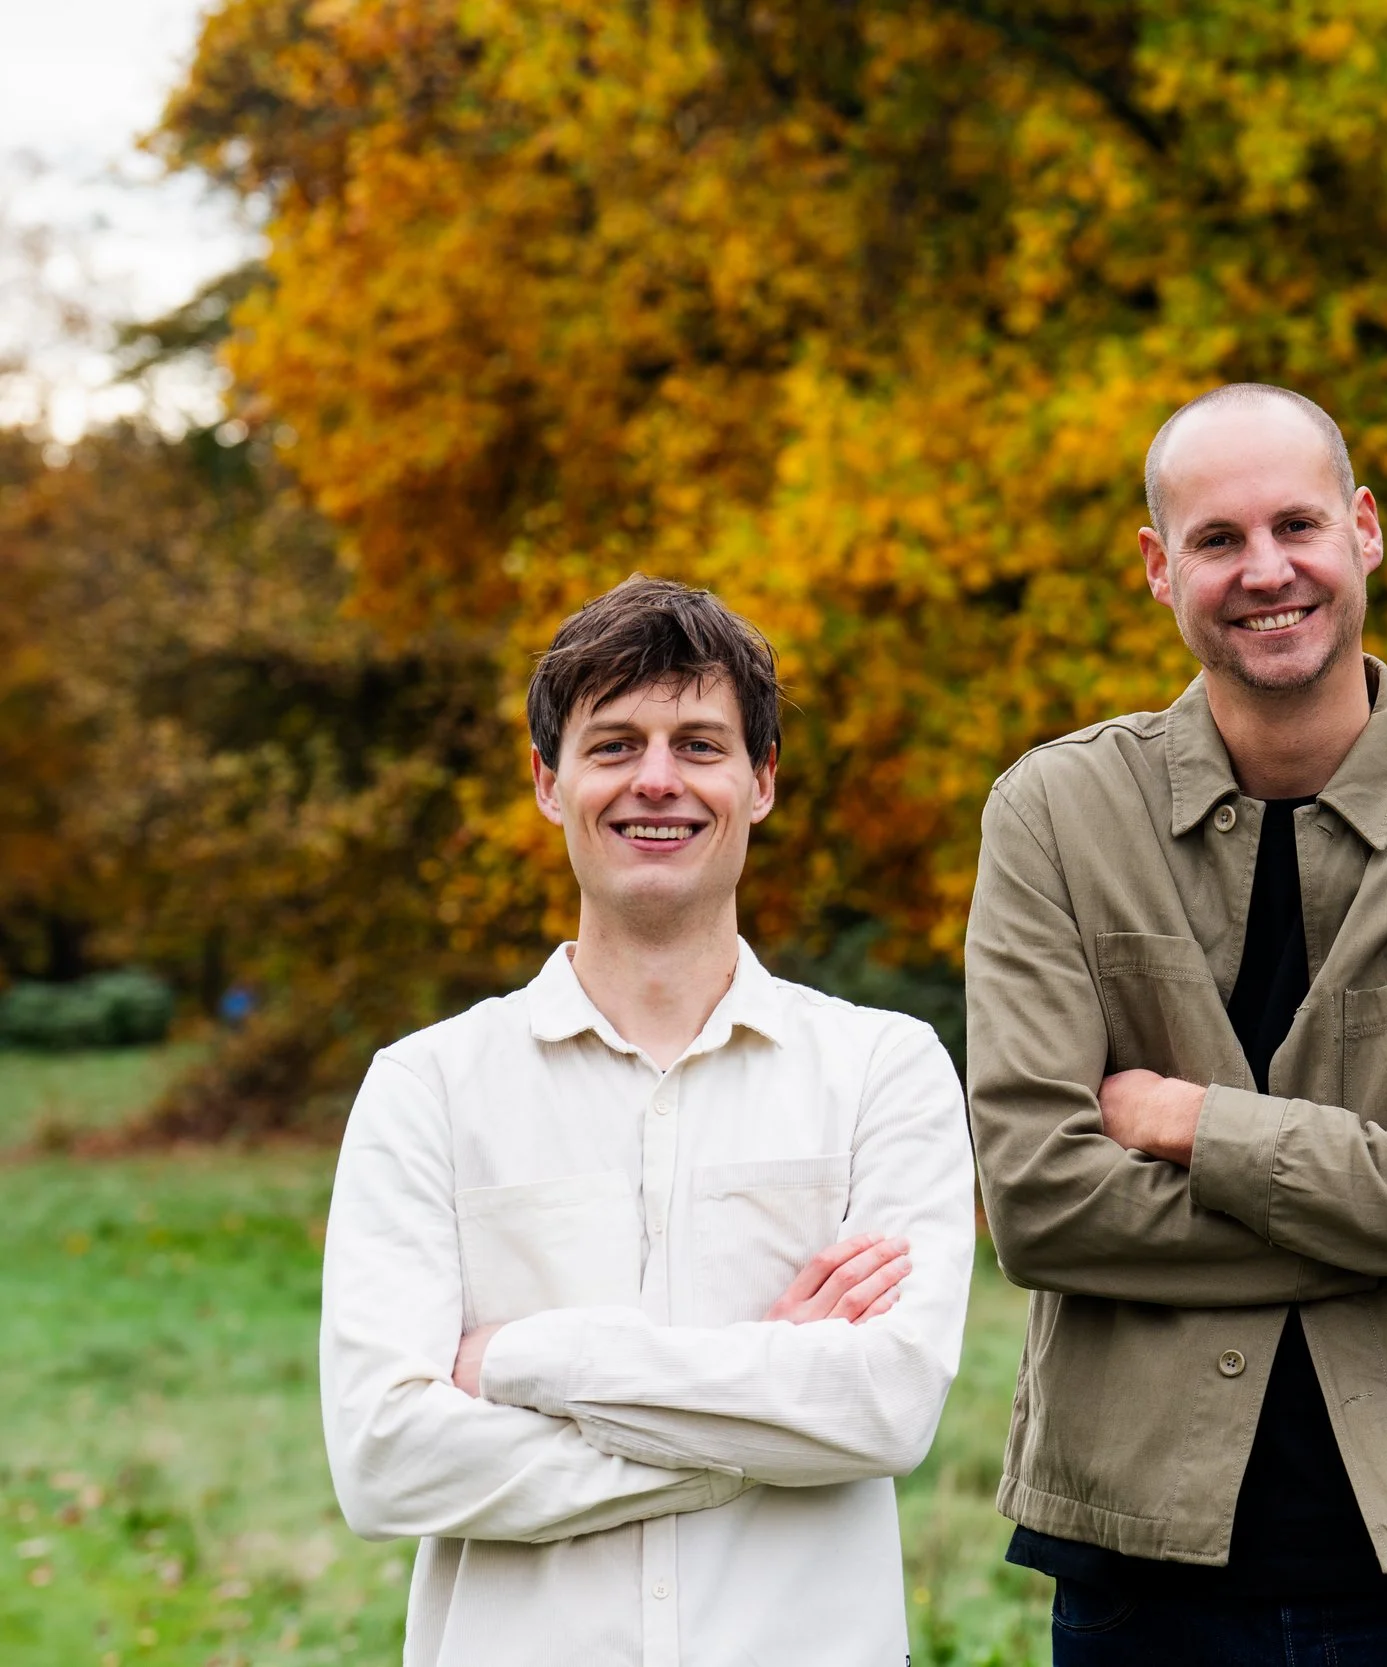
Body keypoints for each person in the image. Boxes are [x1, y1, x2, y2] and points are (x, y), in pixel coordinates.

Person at [965, 383, 1387, 1664]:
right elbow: (1040, 1202)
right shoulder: (1050, 814)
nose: (1266, 570)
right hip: (1139, 1575)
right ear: (1160, 568)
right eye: (1217, 540)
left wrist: (1193, 1123)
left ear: (1363, 531)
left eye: (1297, 526)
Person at [319, 576, 973, 1667]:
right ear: (548, 779)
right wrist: (772, 1395)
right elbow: (388, 1460)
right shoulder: (424, 1085)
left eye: (700, 744)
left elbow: (886, 1411)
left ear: (762, 781)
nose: (657, 780)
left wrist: (531, 1358)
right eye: (614, 743)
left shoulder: (881, 1070)